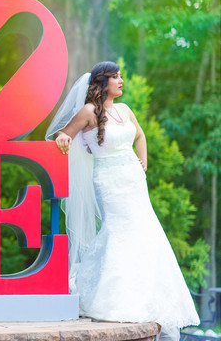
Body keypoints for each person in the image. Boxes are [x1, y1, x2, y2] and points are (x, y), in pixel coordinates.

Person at [45, 61, 199, 341]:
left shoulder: (126, 110)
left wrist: (143, 161)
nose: (121, 80)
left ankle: (145, 295)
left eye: (120, 76)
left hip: (133, 181)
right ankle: (111, 298)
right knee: (118, 232)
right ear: (102, 83)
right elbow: (63, 132)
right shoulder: (90, 111)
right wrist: (64, 139)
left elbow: (139, 135)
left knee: (145, 232)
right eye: (115, 77)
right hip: (108, 181)